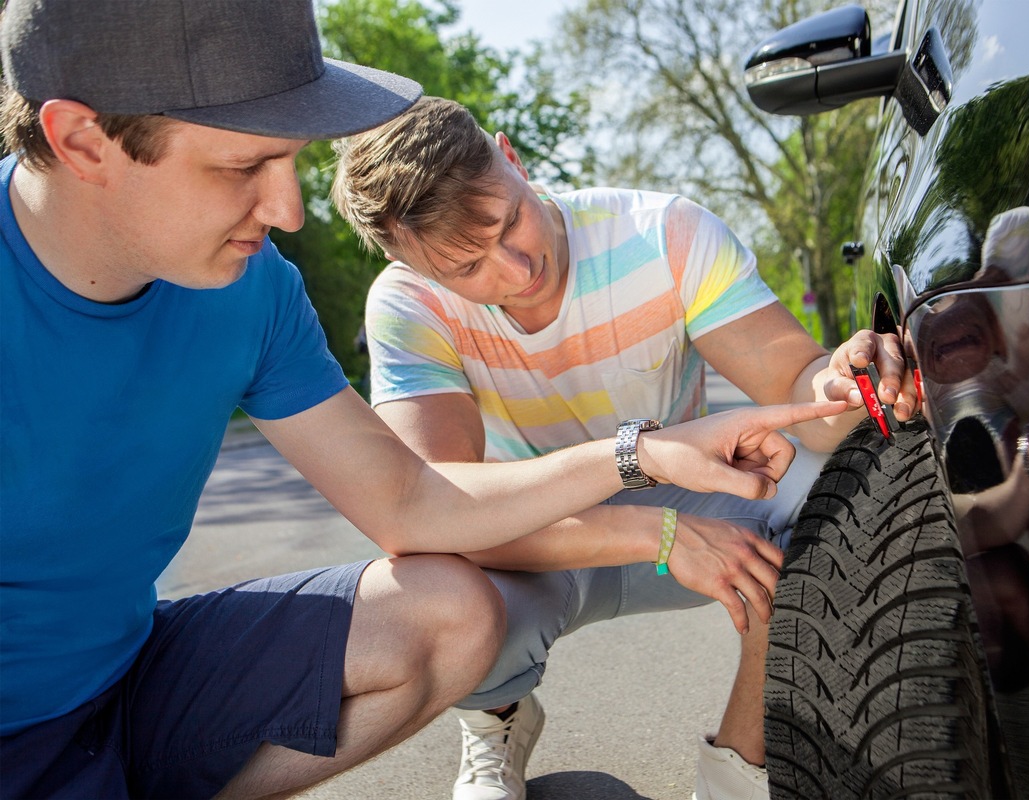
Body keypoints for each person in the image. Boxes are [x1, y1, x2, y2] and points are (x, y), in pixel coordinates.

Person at [0, 4, 849, 798]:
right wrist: (651, 511)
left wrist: (647, 454)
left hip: (125, 676)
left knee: (444, 609)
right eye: (247, 165)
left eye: (290, 161)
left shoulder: (252, 289)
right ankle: (501, 721)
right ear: (82, 140)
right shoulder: (389, 304)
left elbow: (410, 501)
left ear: (513, 161)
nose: (289, 211)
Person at [330, 96, 915, 800]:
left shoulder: (665, 234)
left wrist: (840, 381)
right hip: (534, 536)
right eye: (468, 267)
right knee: (427, 575)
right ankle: (498, 718)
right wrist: (659, 532)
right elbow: (437, 506)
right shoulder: (406, 305)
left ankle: (738, 768)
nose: (516, 270)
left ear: (512, 158)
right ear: (420, 271)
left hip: (692, 499)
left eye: (509, 219)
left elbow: (799, 391)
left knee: (832, 480)